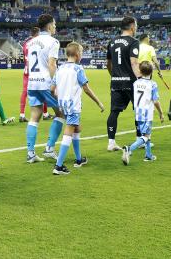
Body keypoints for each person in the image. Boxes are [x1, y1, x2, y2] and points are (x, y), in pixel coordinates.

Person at [52, 42, 104, 175]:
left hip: (62, 104)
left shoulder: (60, 69)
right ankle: (58, 166)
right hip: (73, 105)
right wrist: (98, 102)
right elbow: (86, 89)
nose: (81, 54)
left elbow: (52, 89)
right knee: (69, 130)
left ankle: (79, 159)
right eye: (81, 52)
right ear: (76, 55)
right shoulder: (78, 69)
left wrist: (60, 96)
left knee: (77, 128)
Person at [24, 14, 66, 163]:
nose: (55, 27)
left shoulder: (31, 42)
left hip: (32, 82)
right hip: (46, 83)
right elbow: (51, 64)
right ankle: (49, 148)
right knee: (61, 113)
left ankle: (30, 153)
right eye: (54, 24)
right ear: (49, 26)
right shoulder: (53, 42)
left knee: (35, 116)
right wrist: (56, 84)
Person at [105, 16, 141, 152]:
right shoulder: (133, 42)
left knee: (114, 112)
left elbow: (108, 64)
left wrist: (113, 75)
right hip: (131, 82)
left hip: (115, 82)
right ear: (132, 27)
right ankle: (140, 139)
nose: (136, 28)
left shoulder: (112, 42)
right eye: (135, 26)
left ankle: (111, 142)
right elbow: (134, 63)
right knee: (138, 110)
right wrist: (141, 79)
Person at [122, 61, 164, 165]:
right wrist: (161, 113)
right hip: (147, 113)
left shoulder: (136, 83)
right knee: (146, 136)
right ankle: (129, 148)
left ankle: (148, 155)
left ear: (140, 71)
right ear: (152, 71)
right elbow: (156, 101)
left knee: (146, 135)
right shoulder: (153, 84)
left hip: (138, 112)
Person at [19, 27, 50, 122]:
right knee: (43, 89)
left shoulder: (25, 44)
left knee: (24, 92)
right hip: (37, 71)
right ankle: (45, 113)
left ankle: (22, 114)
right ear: (38, 33)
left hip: (27, 71)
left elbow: (25, 58)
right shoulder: (39, 43)